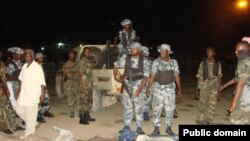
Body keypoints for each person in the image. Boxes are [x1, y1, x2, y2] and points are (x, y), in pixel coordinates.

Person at [113, 42, 151, 134]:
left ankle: (139, 127)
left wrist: (140, 89)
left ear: (138, 50)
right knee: (127, 106)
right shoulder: (126, 58)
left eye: (134, 48)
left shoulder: (145, 61)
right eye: (131, 48)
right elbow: (115, 65)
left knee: (139, 107)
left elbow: (146, 76)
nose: (132, 50)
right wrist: (115, 76)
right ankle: (127, 126)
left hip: (138, 85)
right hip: (127, 85)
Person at [146, 44, 181, 136]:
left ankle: (169, 128)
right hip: (158, 89)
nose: (161, 52)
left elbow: (176, 75)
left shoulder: (173, 62)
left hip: (170, 89)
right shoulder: (156, 62)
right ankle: (156, 129)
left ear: (168, 52)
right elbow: (152, 76)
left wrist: (180, 89)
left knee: (170, 109)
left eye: (163, 50)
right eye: (160, 50)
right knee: (156, 109)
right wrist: (148, 88)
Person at [16, 49, 46, 139]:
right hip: (24, 94)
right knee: (18, 110)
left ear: (33, 57)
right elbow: (21, 79)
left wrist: (42, 95)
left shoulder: (37, 67)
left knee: (30, 115)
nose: (26, 57)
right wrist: (19, 90)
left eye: (28, 55)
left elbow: (42, 83)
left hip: (33, 95)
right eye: (25, 55)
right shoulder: (25, 66)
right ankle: (33, 123)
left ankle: (28, 136)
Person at [195, 47, 222, 125]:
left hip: (214, 87)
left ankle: (209, 120)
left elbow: (219, 77)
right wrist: (196, 90)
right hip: (204, 87)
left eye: (210, 52)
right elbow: (199, 76)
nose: (209, 54)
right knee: (202, 103)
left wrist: (219, 91)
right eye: (207, 52)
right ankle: (201, 119)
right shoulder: (203, 63)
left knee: (212, 104)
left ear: (214, 53)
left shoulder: (218, 64)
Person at [227, 41, 250, 124]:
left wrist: (234, 102)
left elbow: (241, 83)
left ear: (245, 51)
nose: (235, 52)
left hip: (244, 101)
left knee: (234, 121)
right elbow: (236, 79)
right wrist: (224, 86)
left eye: (237, 50)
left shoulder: (243, 63)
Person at [77, 47, 96, 125]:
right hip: (84, 85)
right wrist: (81, 86)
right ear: (83, 52)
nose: (87, 53)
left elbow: (89, 72)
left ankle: (87, 116)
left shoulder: (88, 61)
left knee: (88, 101)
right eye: (86, 52)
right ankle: (82, 118)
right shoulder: (82, 61)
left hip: (88, 85)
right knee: (83, 101)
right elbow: (79, 74)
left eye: (89, 52)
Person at [35, 53, 54, 122]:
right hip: (37, 86)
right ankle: (37, 115)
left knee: (47, 98)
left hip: (42, 85)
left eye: (42, 57)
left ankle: (45, 111)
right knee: (38, 100)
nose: (42, 58)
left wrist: (45, 87)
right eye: (41, 57)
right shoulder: (35, 66)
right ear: (37, 58)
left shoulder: (40, 65)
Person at [61, 50, 78, 118]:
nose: (70, 56)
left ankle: (78, 110)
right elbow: (63, 75)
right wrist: (61, 84)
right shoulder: (66, 64)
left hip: (76, 82)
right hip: (69, 82)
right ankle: (72, 111)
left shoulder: (77, 64)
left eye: (72, 55)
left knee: (77, 97)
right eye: (69, 55)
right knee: (70, 97)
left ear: (74, 55)